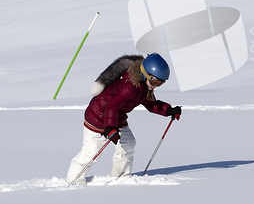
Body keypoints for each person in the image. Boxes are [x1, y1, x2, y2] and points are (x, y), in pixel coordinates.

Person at [66, 53, 181, 185]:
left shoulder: (144, 87)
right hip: (98, 117)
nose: (155, 86)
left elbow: (151, 104)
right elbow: (112, 105)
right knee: (91, 152)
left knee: (128, 144)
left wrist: (169, 110)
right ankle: (74, 181)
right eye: (155, 82)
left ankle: (121, 178)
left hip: (116, 118)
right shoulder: (129, 86)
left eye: (160, 84)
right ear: (146, 74)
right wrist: (110, 128)